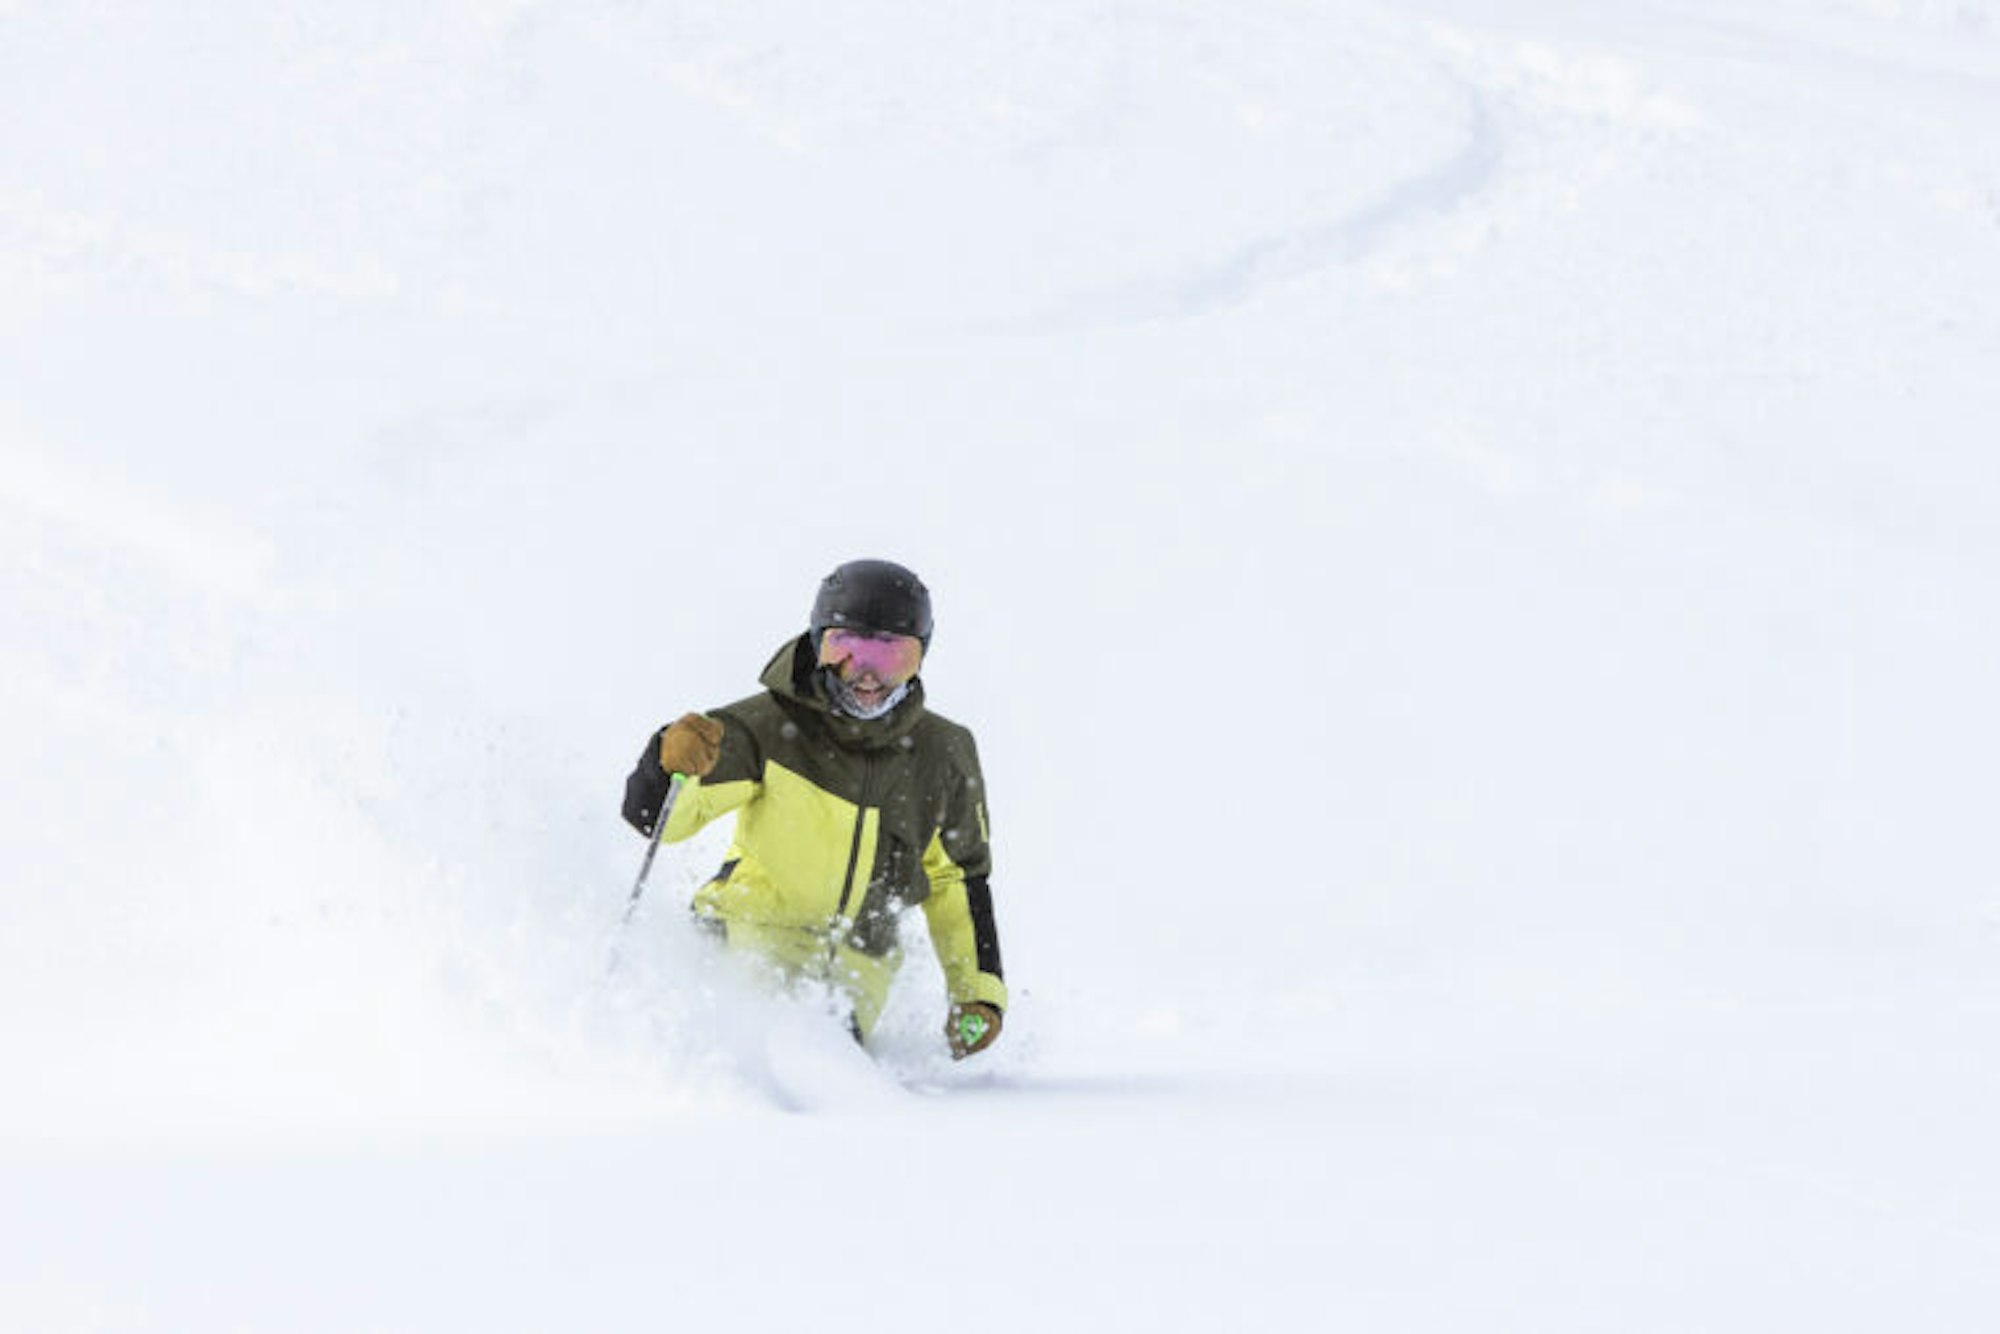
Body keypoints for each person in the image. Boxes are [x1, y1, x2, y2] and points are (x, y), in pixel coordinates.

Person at [621, 559, 1006, 1059]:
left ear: (921, 659)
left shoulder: (942, 753)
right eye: (847, 650)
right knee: (755, 1039)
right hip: (745, 935)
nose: (867, 675)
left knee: (825, 1053)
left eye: (891, 656)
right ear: (819, 644)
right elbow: (661, 822)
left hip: (858, 963)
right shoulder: (765, 727)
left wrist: (976, 994)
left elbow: (958, 879)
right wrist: (665, 762)